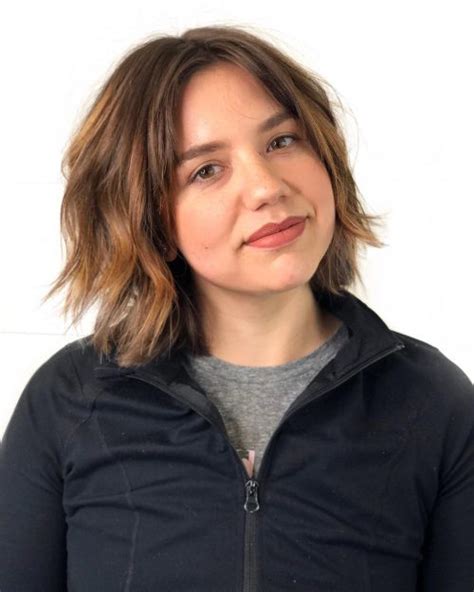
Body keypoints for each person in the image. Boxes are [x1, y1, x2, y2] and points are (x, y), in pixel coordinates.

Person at [0, 24, 473, 592]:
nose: (266, 187)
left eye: (282, 141)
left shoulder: (433, 403)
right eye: (206, 170)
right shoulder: (68, 403)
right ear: (151, 220)